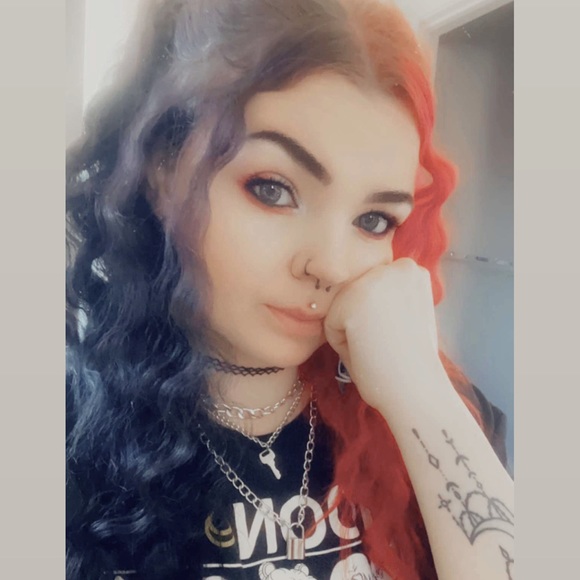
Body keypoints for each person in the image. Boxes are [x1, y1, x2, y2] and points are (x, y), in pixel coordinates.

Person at [66, 0, 514, 579]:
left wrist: (423, 399)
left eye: (374, 220)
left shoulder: (438, 414)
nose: (329, 264)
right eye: (273, 189)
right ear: (161, 171)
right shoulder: (71, 431)